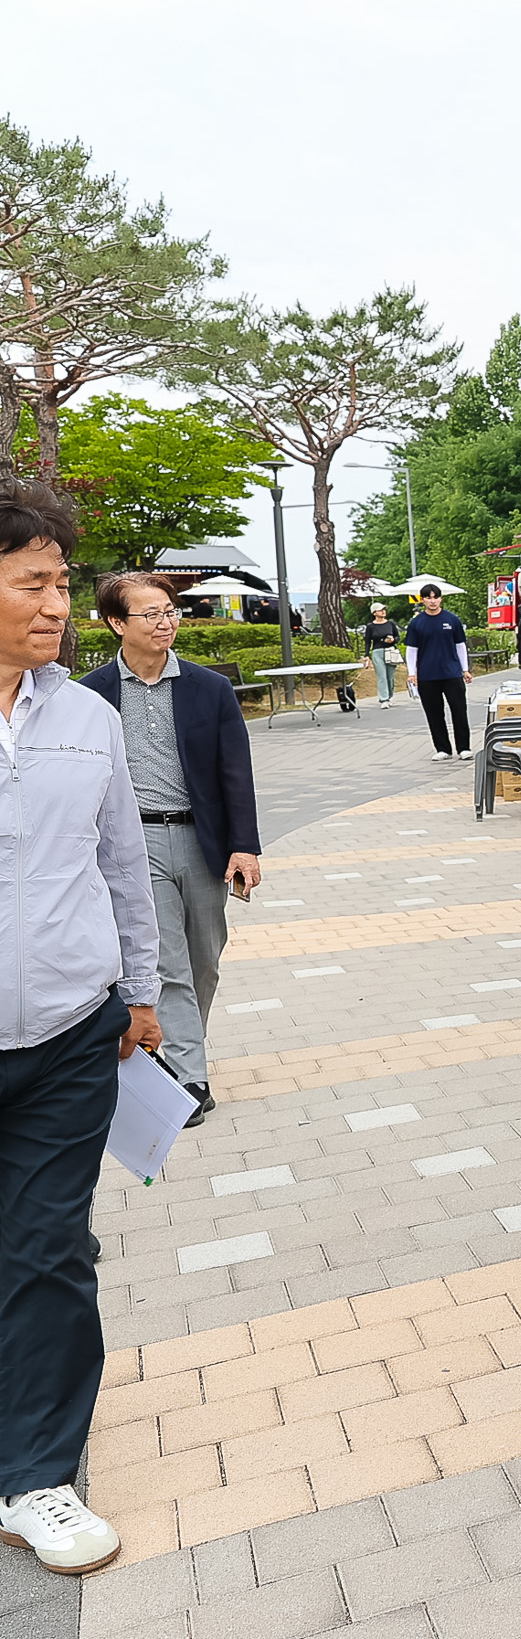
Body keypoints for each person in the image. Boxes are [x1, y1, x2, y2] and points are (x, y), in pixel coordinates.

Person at [0, 480, 162, 1575]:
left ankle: (36, 1474)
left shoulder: (87, 715)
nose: (60, 603)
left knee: (50, 1251)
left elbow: (122, 866)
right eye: (35, 583)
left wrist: (142, 993)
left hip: (66, 1032)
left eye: (62, 581)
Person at [82, 573, 262, 1127]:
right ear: (118, 624)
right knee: (169, 963)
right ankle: (187, 1078)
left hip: (201, 839)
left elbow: (236, 773)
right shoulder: (91, 694)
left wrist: (245, 846)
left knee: (205, 958)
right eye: (151, 614)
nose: (167, 622)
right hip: (131, 844)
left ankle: (183, 1048)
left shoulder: (208, 688)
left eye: (171, 612)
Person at [405, 584, 473, 760]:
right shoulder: (416, 623)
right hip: (427, 675)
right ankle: (442, 748)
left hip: (452, 673)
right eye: (428, 598)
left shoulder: (452, 620)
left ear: (441, 599)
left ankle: (464, 747)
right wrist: (412, 673)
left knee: (459, 710)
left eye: (435, 597)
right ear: (423, 600)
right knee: (434, 713)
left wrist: (465, 669)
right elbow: (412, 649)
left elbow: (460, 645)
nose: (432, 601)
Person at [362, 602, 403, 706]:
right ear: (374, 613)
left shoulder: (390, 624)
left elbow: (397, 637)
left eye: (384, 609)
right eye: (380, 610)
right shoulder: (371, 626)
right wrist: (367, 655)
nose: (383, 611)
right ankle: (383, 699)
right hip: (377, 651)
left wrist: (393, 640)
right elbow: (367, 641)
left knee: (390, 677)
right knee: (382, 676)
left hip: (390, 651)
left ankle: (389, 696)